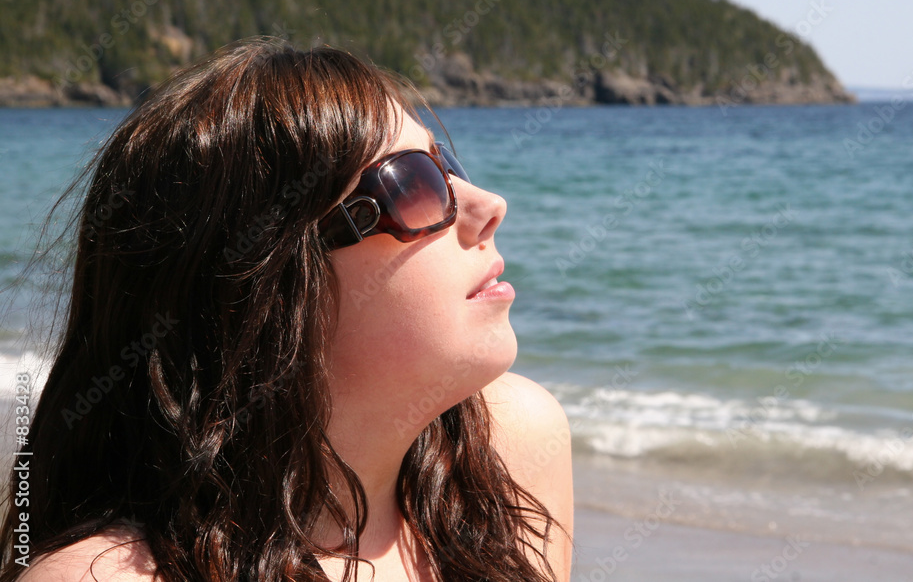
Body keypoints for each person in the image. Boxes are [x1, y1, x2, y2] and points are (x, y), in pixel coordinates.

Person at [0, 39, 573, 581]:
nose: (489, 205)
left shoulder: (507, 461)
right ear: (263, 288)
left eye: (447, 166)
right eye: (413, 183)